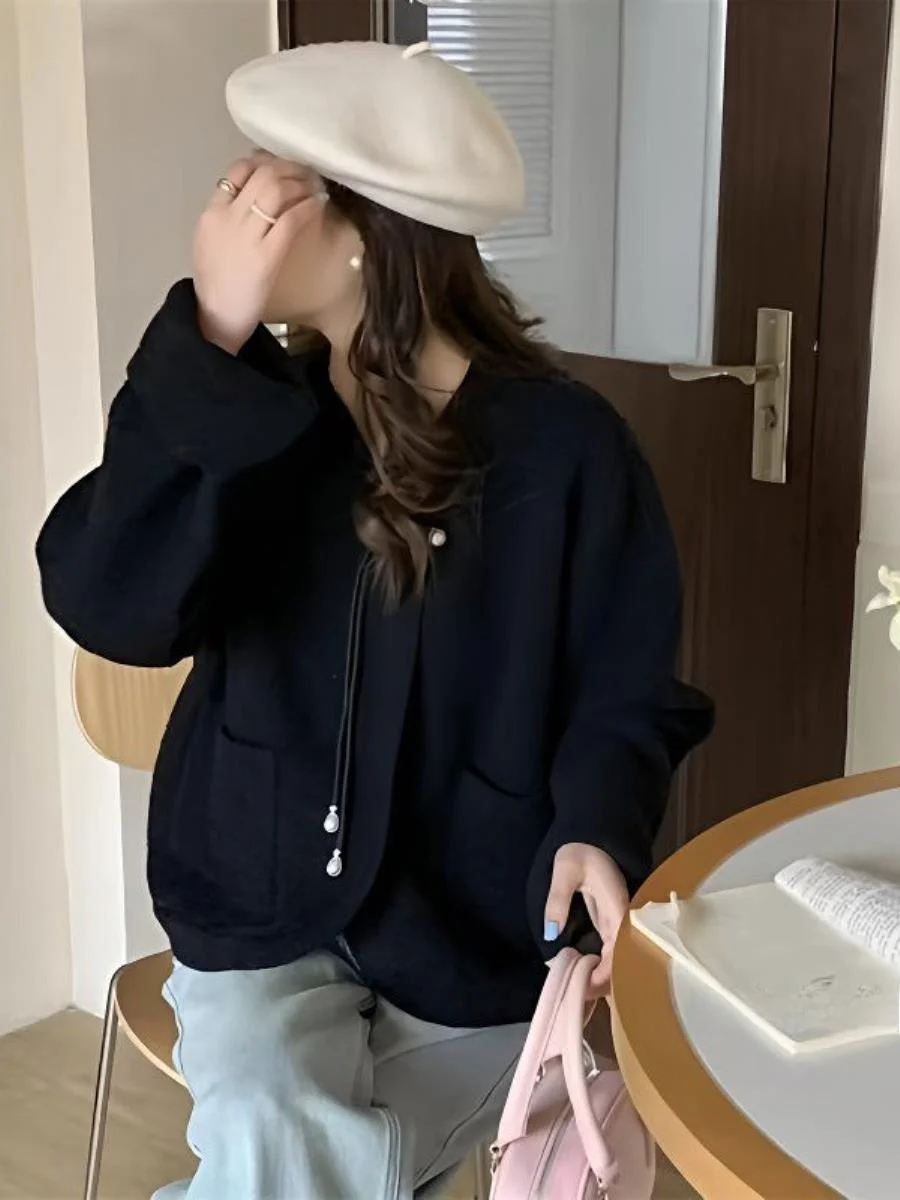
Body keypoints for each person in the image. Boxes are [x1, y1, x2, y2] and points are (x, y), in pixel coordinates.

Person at [37, 41, 712, 1200]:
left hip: (471, 925)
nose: (233, 205)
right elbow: (110, 603)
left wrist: (595, 827)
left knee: (279, 1154)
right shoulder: (245, 419)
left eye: (272, 185)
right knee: (279, 1125)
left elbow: (626, 687)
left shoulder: (567, 451)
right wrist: (208, 340)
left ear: (365, 234)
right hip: (258, 906)